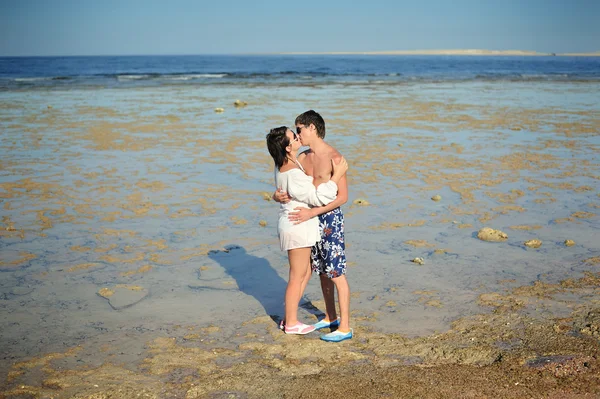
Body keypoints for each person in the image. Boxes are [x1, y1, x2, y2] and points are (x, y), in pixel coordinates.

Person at [274, 110, 353, 342]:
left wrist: (313, 212)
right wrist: (276, 196)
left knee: (336, 272)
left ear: (312, 128)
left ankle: (345, 327)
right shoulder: (304, 158)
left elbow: (343, 197)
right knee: (320, 270)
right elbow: (288, 182)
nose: (297, 134)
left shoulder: (335, 157)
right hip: (308, 221)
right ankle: (330, 316)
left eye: (299, 129)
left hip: (328, 218)